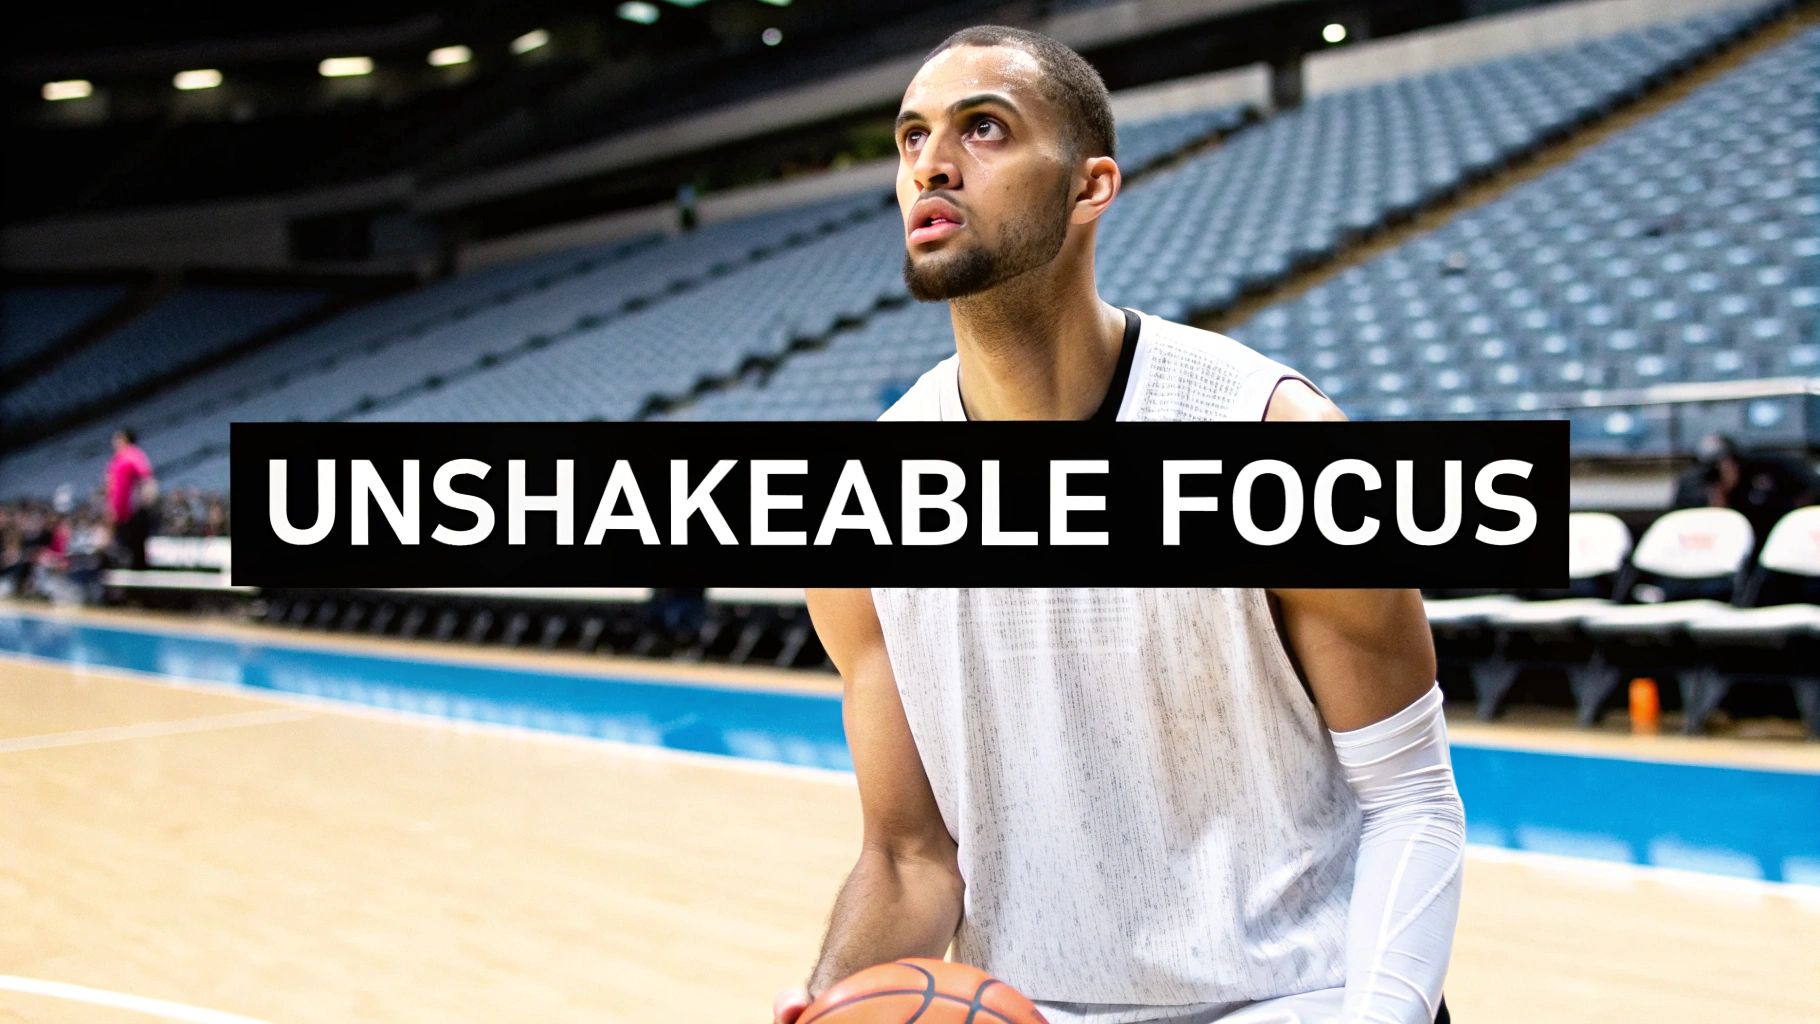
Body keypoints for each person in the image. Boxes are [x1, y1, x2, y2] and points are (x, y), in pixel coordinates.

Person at [774, 27, 1462, 1024]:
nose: (931, 161)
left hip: (1300, 998)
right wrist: (828, 1000)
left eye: (983, 129)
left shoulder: (1271, 438)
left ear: (1090, 186)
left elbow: (1411, 801)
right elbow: (909, 857)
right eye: (911, 135)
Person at [1672, 433, 1819, 551]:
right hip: (1731, 545)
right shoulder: (1698, 483)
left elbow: (1811, 486)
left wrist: (1796, 515)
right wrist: (1721, 492)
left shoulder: (1770, 468)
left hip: (1779, 536)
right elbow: (1702, 527)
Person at [105, 428, 157, 571]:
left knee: (135, 550)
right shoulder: (116, 459)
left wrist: (144, 504)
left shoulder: (134, 455)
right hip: (120, 514)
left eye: (117, 439)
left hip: (132, 513)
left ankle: (140, 586)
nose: (114, 442)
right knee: (122, 549)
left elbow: (146, 479)